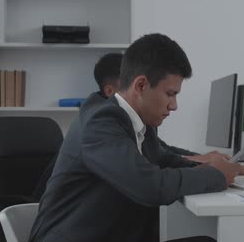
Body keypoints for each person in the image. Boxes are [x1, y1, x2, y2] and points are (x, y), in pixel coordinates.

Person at [25, 33, 244, 242]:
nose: (174, 106)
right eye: (170, 94)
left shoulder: (138, 124)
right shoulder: (101, 122)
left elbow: (166, 159)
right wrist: (215, 175)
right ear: (140, 85)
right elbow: (149, 186)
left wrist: (226, 168)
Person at [93, 52, 230, 164]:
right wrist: (206, 166)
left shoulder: (138, 118)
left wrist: (202, 158)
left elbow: (161, 152)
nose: (131, 91)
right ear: (109, 91)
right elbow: (147, 178)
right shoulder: (102, 123)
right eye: (125, 86)